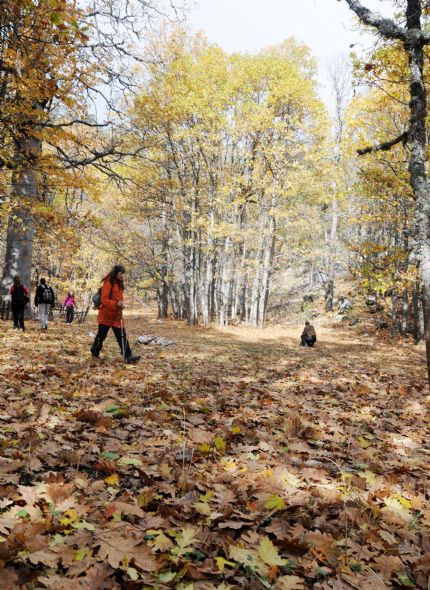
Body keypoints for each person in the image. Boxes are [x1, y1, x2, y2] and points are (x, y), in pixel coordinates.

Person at [90, 264, 140, 363]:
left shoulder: (119, 283)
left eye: (123, 274)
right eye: (121, 273)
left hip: (116, 315)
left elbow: (118, 298)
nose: (122, 276)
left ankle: (128, 355)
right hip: (106, 314)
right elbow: (104, 300)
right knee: (101, 335)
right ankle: (94, 352)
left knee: (122, 334)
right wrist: (116, 304)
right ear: (116, 273)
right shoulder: (108, 282)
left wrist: (120, 305)